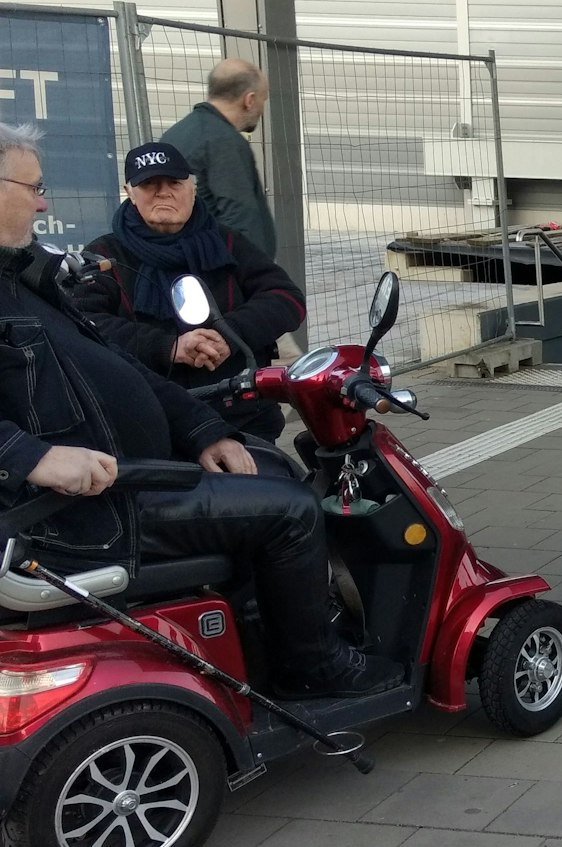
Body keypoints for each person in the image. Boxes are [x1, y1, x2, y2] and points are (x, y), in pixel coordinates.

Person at [0, 123, 396, 698]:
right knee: (293, 510)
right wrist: (33, 456)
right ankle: (311, 669)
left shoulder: (24, 277)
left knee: (270, 471)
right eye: (33, 187)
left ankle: (257, 636)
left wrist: (202, 428)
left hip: (145, 463)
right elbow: (124, 353)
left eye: (174, 184)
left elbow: (115, 362)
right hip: (88, 511)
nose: (44, 202)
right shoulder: (91, 261)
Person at [72, 143, 305, 443]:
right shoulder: (105, 255)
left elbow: (286, 299)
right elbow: (82, 324)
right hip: (149, 419)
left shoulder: (228, 244)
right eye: (149, 184)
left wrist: (229, 334)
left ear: (192, 189)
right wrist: (169, 347)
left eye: (174, 183)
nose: (163, 192)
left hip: (240, 415)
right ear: (128, 192)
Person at [160, 58, 277, 257]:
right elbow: (241, 216)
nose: (261, 109)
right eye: (262, 100)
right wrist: (256, 277)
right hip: (222, 270)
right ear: (249, 100)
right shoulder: (223, 141)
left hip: (187, 256)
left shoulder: (177, 133)